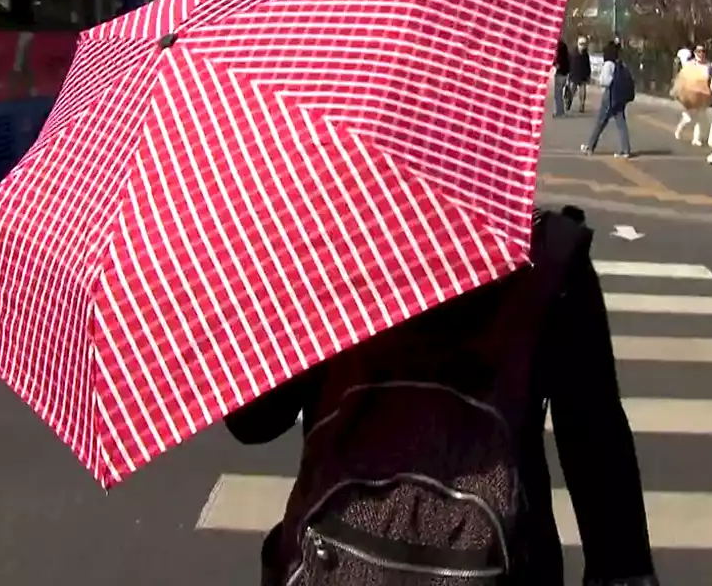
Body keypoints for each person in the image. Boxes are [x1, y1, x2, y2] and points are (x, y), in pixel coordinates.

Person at [224, 206, 658, 586]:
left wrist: (268, 274)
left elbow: (255, 421)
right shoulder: (545, 257)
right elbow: (596, 449)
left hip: (335, 561)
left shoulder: (328, 245)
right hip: (506, 564)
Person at [580, 40, 633, 158]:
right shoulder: (619, 63)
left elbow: (604, 81)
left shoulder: (608, 64)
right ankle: (625, 149)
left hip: (610, 95)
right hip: (619, 96)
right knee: (621, 123)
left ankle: (590, 146)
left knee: (600, 122)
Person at [671, 44, 712, 146]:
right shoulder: (689, 65)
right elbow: (682, 78)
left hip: (702, 94)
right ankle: (679, 129)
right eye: (699, 51)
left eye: (703, 51)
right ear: (695, 53)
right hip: (690, 94)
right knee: (688, 118)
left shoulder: (708, 65)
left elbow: (711, 78)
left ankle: (696, 138)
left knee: (700, 118)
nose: (701, 54)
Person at [567, 36, 592, 113]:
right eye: (581, 44)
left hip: (583, 76)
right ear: (578, 43)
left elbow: (588, 65)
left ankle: (582, 106)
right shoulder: (572, 53)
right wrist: (568, 73)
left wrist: (588, 75)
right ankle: (569, 102)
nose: (582, 45)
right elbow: (568, 63)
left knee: (582, 92)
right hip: (574, 75)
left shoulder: (585, 54)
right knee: (572, 91)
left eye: (584, 44)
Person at [554, 38, 571, 118]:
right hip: (565, 73)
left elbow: (556, 62)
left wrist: (555, 63)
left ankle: (560, 112)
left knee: (557, 94)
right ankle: (560, 111)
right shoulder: (565, 50)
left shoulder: (559, 50)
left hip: (560, 73)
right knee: (559, 94)